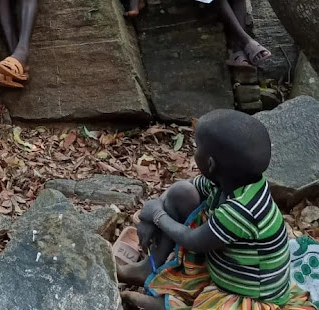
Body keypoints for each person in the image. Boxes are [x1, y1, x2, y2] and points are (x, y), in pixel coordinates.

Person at [119, 108, 314, 310]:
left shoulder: (242, 210)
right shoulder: (229, 181)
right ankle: (148, 268)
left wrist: (157, 215)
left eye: (196, 148)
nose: (193, 153)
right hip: (223, 269)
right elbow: (181, 190)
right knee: (181, 193)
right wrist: (151, 212)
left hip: (249, 298)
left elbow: (193, 241)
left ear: (210, 164)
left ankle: (169, 305)